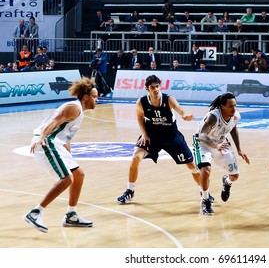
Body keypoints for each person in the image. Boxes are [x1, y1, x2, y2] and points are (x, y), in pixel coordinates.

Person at [23, 77, 98, 233]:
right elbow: (54, 122)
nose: (97, 99)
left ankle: (71, 215)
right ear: (86, 98)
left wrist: (68, 156)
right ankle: (35, 213)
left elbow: (64, 136)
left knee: (78, 175)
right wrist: (42, 137)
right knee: (67, 179)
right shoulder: (74, 108)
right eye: (95, 97)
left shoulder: (79, 111)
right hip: (46, 142)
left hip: (56, 143)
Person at [116, 75, 203, 204]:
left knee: (191, 165)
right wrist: (144, 134)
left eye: (157, 86)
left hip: (171, 136)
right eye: (153, 87)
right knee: (135, 157)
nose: (156, 89)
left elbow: (180, 109)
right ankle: (130, 191)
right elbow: (140, 117)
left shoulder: (168, 99)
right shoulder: (142, 102)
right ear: (147, 89)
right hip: (152, 136)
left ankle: (205, 192)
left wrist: (185, 115)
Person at [193, 93, 250, 215]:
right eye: (230, 106)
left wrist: (239, 149)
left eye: (235, 105)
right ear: (222, 106)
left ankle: (226, 182)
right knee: (206, 170)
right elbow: (201, 135)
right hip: (203, 143)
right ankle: (206, 199)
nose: (234, 109)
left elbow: (233, 129)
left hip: (220, 142)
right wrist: (215, 146)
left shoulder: (235, 116)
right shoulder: (214, 117)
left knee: (234, 176)